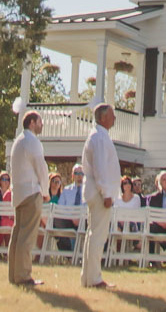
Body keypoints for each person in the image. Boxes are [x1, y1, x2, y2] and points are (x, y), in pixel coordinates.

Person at [79, 103, 122, 289]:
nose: (114, 118)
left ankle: (87, 277)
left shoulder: (99, 136)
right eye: (112, 115)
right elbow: (100, 168)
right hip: (98, 192)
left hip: (95, 191)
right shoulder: (99, 138)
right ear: (103, 117)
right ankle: (94, 278)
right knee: (98, 236)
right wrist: (105, 193)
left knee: (93, 234)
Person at [8, 110, 48, 286]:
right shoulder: (33, 141)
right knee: (27, 236)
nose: (42, 124)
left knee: (17, 236)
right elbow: (41, 168)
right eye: (40, 121)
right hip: (31, 192)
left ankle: (14, 275)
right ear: (32, 122)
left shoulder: (18, 141)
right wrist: (45, 191)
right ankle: (23, 275)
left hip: (19, 192)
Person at [53, 164, 86, 252]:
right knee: (56, 220)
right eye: (76, 173)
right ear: (72, 175)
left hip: (85, 221)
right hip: (69, 221)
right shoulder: (67, 190)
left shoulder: (88, 191)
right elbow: (60, 208)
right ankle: (69, 253)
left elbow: (90, 207)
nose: (79, 176)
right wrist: (71, 217)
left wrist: (80, 218)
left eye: (81, 173)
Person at [144, 171, 166, 250]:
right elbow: (151, 215)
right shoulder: (154, 197)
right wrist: (161, 223)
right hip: (158, 225)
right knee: (150, 227)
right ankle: (152, 260)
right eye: (163, 179)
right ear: (160, 183)